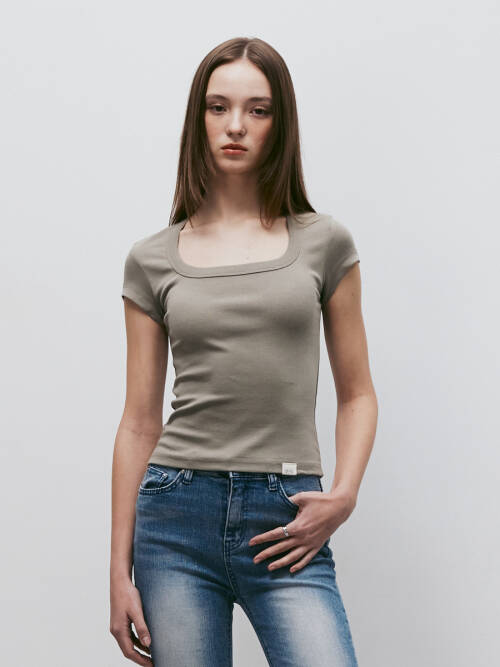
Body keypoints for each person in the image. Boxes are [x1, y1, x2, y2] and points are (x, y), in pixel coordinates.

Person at [110, 36, 378, 667]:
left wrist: (343, 495)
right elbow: (139, 420)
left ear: (280, 124)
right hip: (175, 517)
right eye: (218, 107)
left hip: (287, 515)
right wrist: (118, 572)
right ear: (198, 119)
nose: (236, 125)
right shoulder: (152, 258)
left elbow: (358, 394)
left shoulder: (324, 243)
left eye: (258, 110)